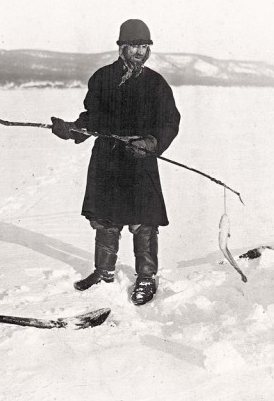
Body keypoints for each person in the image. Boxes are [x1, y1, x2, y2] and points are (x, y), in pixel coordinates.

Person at [51, 19, 180, 305]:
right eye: (134, 45)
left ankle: (146, 277)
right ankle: (103, 272)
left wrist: (152, 144)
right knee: (106, 218)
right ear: (121, 46)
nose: (140, 52)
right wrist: (72, 129)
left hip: (139, 158)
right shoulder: (101, 78)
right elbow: (92, 117)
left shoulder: (156, 83)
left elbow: (171, 122)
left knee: (143, 221)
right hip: (107, 157)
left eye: (145, 46)